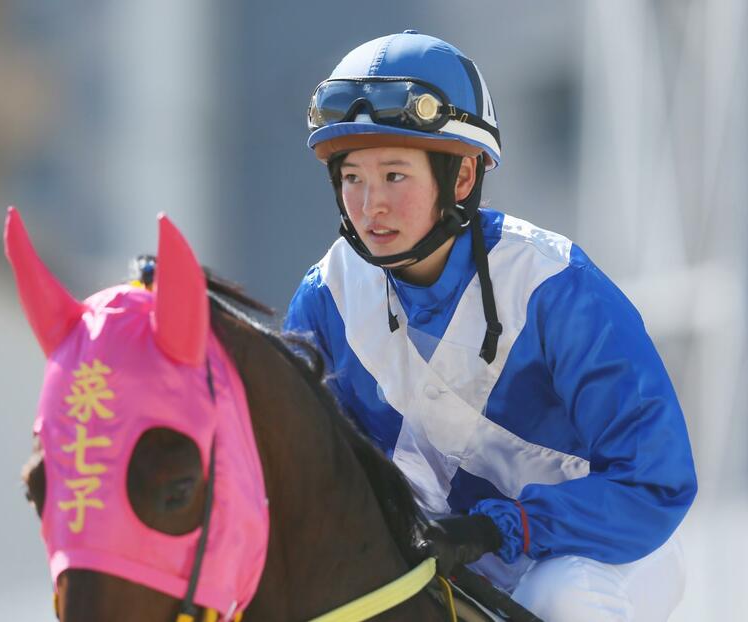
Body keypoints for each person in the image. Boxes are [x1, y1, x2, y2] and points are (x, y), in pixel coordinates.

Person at [283, 31, 697, 621]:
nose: (370, 203)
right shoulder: (326, 298)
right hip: (439, 559)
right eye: (353, 178)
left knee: (561, 598)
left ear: (462, 176)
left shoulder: (558, 287)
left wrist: (498, 528)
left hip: (604, 548)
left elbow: (656, 483)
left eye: (395, 176)